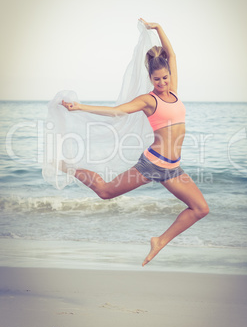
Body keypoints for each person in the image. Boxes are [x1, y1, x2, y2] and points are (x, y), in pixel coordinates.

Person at [62, 18, 209, 266]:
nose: (162, 83)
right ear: (150, 78)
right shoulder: (148, 100)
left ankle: (159, 241)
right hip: (153, 163)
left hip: (173, 167)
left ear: (169, 76)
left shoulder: (174, 91)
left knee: (201, 209)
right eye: (157, 80)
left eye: (165, 78)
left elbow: (171, 54)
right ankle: (68, 167)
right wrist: (79, 107)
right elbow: (116, 111)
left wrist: (158, 28)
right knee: (106, 192)